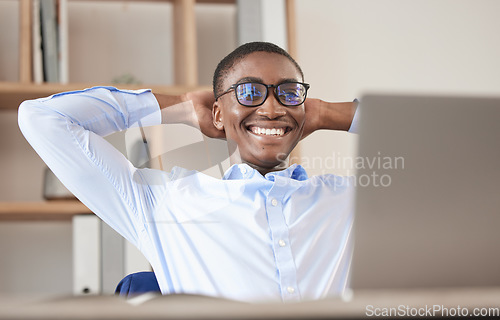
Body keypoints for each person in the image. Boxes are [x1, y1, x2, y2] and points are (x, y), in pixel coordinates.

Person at [18, 42, 358, 303]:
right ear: (218, 114)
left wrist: (328, 113)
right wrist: (179, 105)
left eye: (288, 93)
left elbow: (412, 128)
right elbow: (44, 119)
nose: (271, 108)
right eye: (250, 93)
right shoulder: (164, 204)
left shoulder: (352, 201)